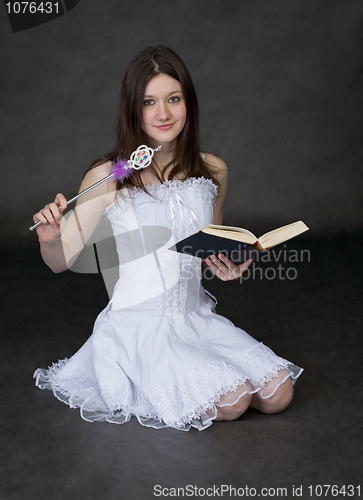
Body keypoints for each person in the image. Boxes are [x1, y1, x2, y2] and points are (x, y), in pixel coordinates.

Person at [33, 46, 303, 431]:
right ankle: (143, 381)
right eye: (149, 102)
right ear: (133, 109)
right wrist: (50, 239)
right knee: (235, 400)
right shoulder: (109, 175)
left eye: (173, 99)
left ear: (187, 103)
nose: (163, 114)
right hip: (140, 328)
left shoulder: (213, 170)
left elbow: (212, 245)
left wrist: (232, 263)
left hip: (196, 319)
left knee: (279, 396)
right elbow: (60, 262)